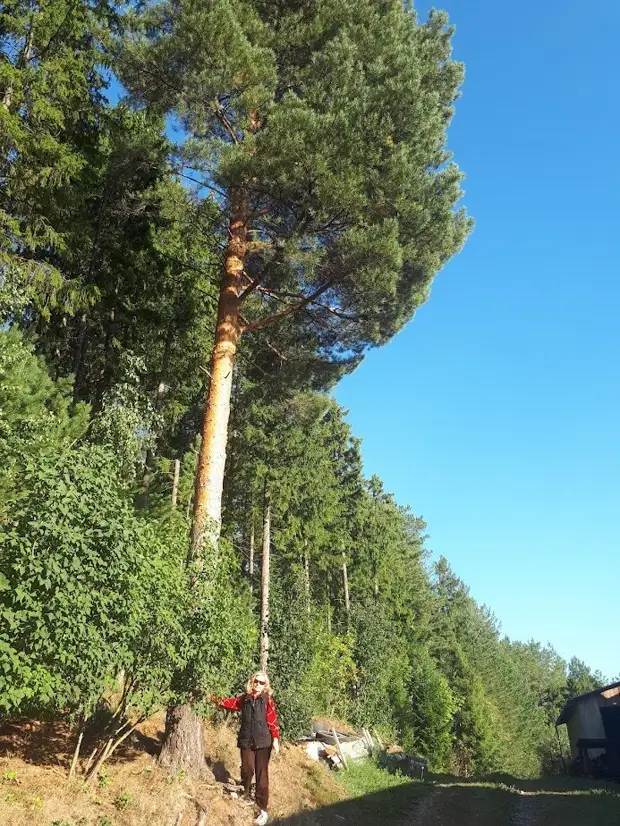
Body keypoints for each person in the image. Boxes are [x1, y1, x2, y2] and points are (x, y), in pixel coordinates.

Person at [212, 671, 280, 826]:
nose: (258, 684)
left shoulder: (267, 700)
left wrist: (275, 739)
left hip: (263, 742)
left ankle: (262, 810)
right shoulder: (245, 699)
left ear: (266, 685)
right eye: (256, 681)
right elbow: (231, 703)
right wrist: (214, 699)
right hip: (247, 740)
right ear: (252, 682)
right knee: (247, 769)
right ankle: (245, 791)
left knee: (262, 777)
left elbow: (272, 720)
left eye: (262, 682)